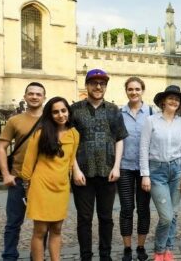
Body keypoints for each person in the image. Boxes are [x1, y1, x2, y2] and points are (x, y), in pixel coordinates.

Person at [71, 69, 129, 261]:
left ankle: (105, 255)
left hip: (107, 172)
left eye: (102, 84)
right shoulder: (75, 110)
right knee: (85, 219)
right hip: (83, 173)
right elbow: (68, 141)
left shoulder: (113, 110)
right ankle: (85, 256)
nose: (98, 87)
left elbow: (120, 138)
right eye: (94, 83)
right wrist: (75, 169)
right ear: (87, 85)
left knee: (106, 218)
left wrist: (116, 166)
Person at [22, 96, 81, 261]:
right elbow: (28, 163)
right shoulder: (41, 133)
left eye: (63, 110)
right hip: (40, 188)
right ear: (50, 114)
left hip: (61, 188)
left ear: (68, 111)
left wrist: (72, 174)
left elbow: (70, 161)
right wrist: (27, 189)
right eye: (55, 112)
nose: (61, 115)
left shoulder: (75, 134)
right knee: (40, 231)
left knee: (56, 229)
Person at [140, 85, 181, 261]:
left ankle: (167, 250)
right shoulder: (151, 121)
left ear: (180, 104)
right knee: (166, 216)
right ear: (163, 101)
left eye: (177, 99)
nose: (173, 101)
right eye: (170, 98)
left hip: (176, 170)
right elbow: (144, 148)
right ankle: (159, 249)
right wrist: (145, 174)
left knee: (174, 214)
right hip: (157, 171)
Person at [0, 82, 46, 261]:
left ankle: (38, 256)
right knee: (13, 223)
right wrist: (6, 174)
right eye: (31, 93)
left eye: (38, 94)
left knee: (42, 225)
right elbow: (2, 147)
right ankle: (9, 256)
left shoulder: (51, 120)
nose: (34, 97)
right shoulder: (14, 120)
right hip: (18, 179)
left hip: (42, 181)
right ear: (25, 97)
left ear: (44, 98)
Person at [119, 77, 154, 261]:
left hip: (144, 170)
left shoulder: (150, 112)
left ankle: (140, 246)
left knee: (143, 208)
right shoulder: (119, 113)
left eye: (137, 89)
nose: (134, 92)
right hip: (124, 167)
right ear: (126, 91)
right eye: (130, 89)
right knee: (126, 208)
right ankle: (127, 248)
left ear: (142, 91)